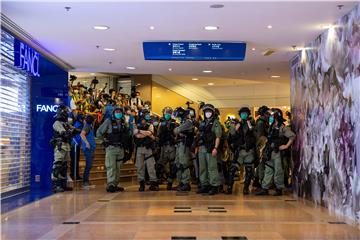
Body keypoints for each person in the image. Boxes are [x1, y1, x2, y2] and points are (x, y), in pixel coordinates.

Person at [256, 108, 296, 196]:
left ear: (276, 117)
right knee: (268, 169)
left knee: (278, 170)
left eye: (271, 116)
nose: (269, 117)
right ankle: (265, 188)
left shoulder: (282, 127)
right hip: (270, 152)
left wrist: (286, 146)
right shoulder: (271, 127)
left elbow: (292, 136)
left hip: (278, 153)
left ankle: (279, 188)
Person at [96, 106, 132, 193]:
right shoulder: (108, 121)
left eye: (120, 112)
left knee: (118, 168)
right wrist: (103, 142)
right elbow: (99, 132)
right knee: (111, 167)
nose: (118, 113)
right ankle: (111, 184)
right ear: (114, 113)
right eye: (117, 112)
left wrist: (128, 149)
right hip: (111, 148)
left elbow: (128, 136)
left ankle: (115, 184)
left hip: (121, 149)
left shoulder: (124, 123)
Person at [227, 107, 256, 195]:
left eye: (246, 113)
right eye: (242, 113)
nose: (244, 115)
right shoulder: (236, 123)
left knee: (249, 170)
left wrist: (249, 125)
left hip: (249, 151)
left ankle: (246, 188)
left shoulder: (251, 123)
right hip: (239, 152)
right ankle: (229, 188)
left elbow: (255, 134)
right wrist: (238, 124)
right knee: (232, 169)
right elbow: (232, 133)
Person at [196, 104, 223, 195]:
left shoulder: (215, 123)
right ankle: (205, 185)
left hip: (210, 148)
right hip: (201, 148)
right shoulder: (203, 122)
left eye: (209, 111)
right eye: (206, 112)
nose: (208, 113)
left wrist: (215, 148)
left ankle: (214, 186)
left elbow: (218, 136)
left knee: (212, 168)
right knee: (202, 168)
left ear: (213, 113)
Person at [50, 105, 77, 193]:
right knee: (57, 165)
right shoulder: (57, 123)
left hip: (66, 146)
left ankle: (62, 185)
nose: (67, 114)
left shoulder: (65, 123)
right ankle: (55, 186)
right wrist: (71, 131)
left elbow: (73, 131)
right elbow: (64, 133)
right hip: (60, 146)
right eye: (66, 112)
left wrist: (75, 130)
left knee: (64, 166)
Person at [133, 109, 159, 192]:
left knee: (151, 166)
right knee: (140, 167)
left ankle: (153, 183)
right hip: (139, 148)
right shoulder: (136, 124)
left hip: (148, 148)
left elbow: (150, 133)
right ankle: (141, 184)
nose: (148, 115)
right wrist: (146, 133)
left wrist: (140, 131)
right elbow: (137, 136)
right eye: (146, 114)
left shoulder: (150, 124)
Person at [173, 107, 194, 192]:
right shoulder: (182, 122)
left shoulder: (188, 122)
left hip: (184, 145)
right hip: (179, 144)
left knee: (184, 164)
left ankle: (186, 183)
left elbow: (176, 130)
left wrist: (178, 131)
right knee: (178, 164)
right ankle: (181, 182)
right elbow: (176, 131)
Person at [157, 107, 178, 190]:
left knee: (173, 165)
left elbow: (177, 135)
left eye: (169, 113)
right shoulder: (161, 124)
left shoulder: (175, 124)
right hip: (163, 147)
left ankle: (170, 182)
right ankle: (158, 181)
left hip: (172, 146)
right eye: (166, 113)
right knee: (160, 165)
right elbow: (158, 136)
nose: (167, 114)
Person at [253, 105, 270, 189]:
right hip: (261, 146)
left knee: (261, 164)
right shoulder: (260, 123)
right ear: (263, 114)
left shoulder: (263, 122)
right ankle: (260, 181)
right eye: (267, 113)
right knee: (261, 164)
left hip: (262, 146)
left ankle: (257, 181)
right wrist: (261, 149)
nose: (269, 115)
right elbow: (260, 137)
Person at [80, 115, 96, 188]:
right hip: (88, 148)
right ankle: (85, 181)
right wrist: (87, 143)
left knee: (89, 165)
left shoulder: (89, 126)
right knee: (88, 165)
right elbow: (82, 134)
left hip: (91, 148)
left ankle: (86, 180)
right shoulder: (87, 126)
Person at [70, 113, 84, 181]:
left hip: (77, 145)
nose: (82, 119)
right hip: (74, 145)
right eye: (81, 118)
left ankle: (75, 174)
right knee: (74, 161)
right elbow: (76, 130)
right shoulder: (77, 123)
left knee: (75, 160)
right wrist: (76, 129)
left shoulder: (79, 123)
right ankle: (74, 175)